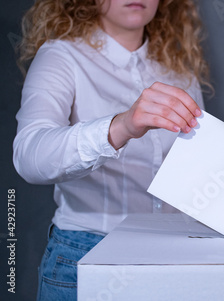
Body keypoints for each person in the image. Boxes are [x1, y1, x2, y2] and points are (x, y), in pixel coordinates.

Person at [13, 0, 211, 300]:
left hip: (174, 256)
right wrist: (121, 127)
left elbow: (196, 169)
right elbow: (29, 156)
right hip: (86, 254)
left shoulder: (178, 69)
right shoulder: (61, 56)